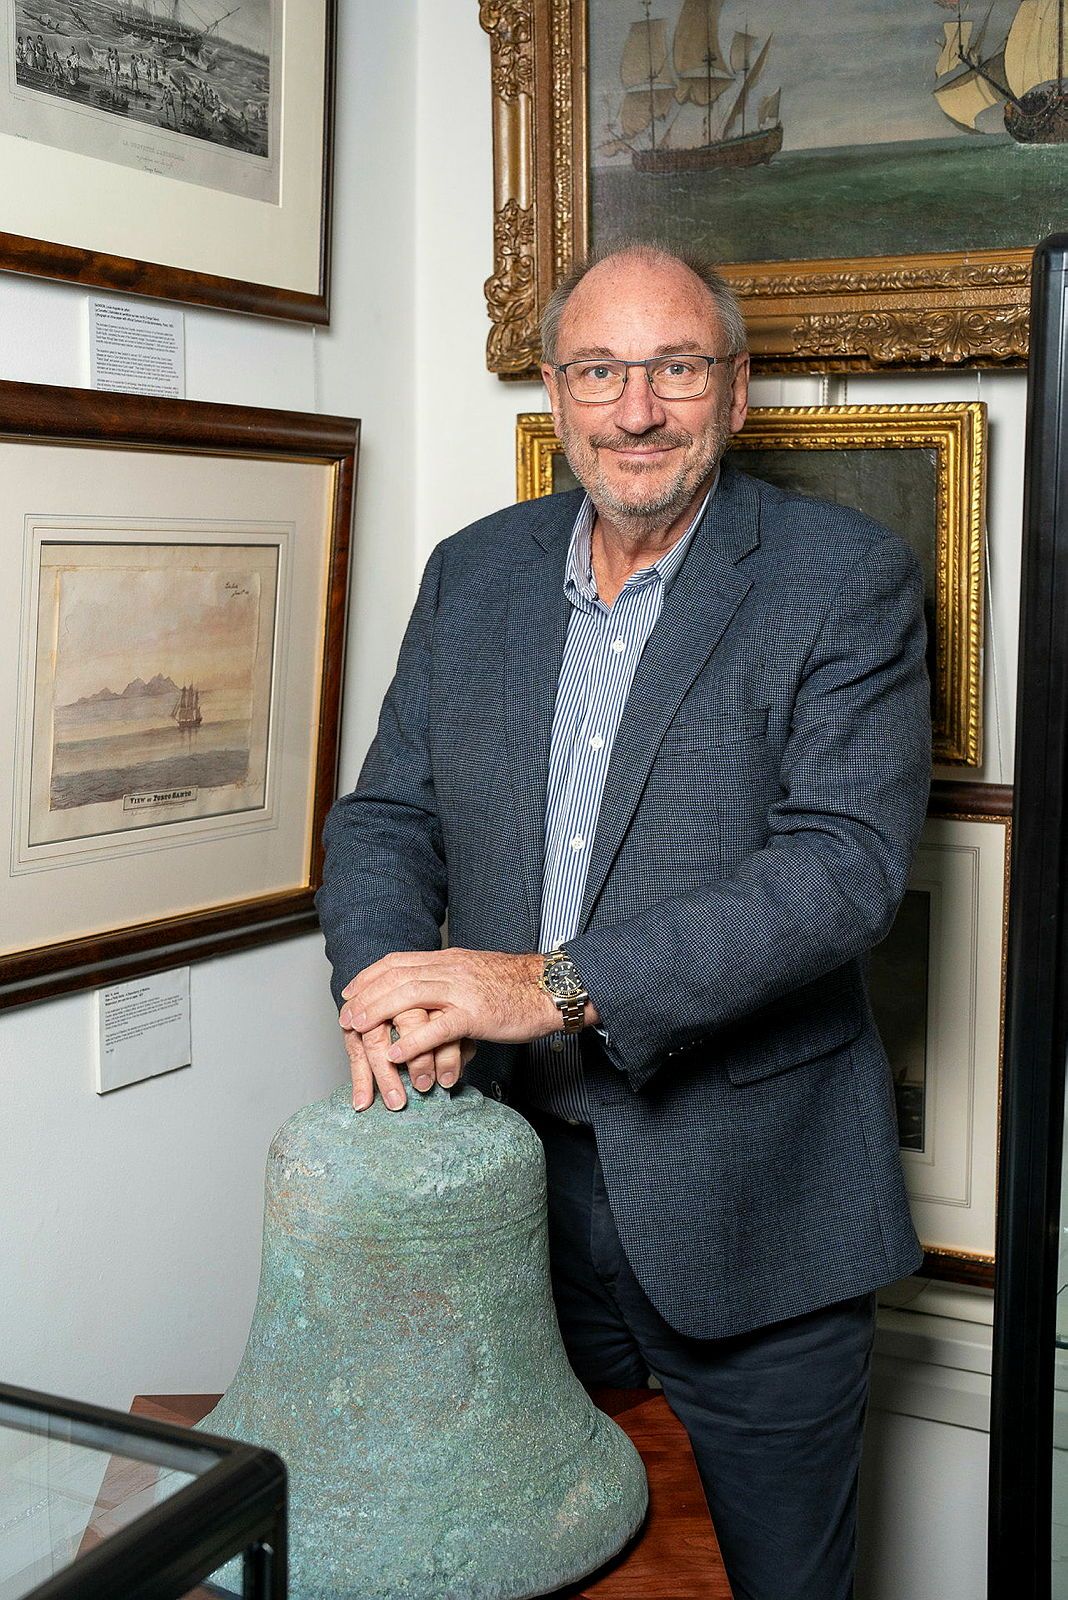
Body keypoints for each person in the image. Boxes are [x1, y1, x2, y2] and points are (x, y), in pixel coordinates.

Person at [316, 242, 931, 1600]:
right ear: (554, 390)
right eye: (599, 371)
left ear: (737, 391)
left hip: (755, 1209)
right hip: (510, 1195)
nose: (636, 409)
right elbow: (387, 818)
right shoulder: (474, 572)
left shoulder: (845, 578)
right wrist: (390, 990)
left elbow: (840, 872)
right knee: (537, 1575)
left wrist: (543, 985)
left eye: (676, 369)